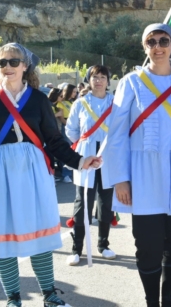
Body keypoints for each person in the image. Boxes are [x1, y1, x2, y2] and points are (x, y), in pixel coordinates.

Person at [0, 43, 101, 307]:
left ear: (25, 65)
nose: (7, 67)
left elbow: (54, 140)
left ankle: (49, 295)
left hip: (33, 172)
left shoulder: (39, 99)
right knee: (0, 235)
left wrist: (80, 161)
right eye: (1, 63)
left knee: (38, 234)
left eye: (13, 62)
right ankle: (13, 298)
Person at [104, 23, 171, 307]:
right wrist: (121, 178)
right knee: (147, 248)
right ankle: (152, 303)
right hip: (143, 177)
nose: (157, 46)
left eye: (163, 40)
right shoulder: (130, 82)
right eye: (151, 41)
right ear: (144, 46)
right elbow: (117, 134)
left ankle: (169, 302)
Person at [65, 65, 116, 266]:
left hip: (108, 156)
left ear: (108, 81)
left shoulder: (116, 103)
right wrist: (84, 147)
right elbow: (71, 131)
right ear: (89, 80)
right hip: (86, 156)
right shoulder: (80, 103)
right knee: (83, 202)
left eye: (103, 77)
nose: (99, 80)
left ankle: (103, 245)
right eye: (95, 77)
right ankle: (76, 248)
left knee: (106, 202)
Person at [57, 84, 78, 183]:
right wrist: (71, 125)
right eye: (73, 91)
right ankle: (66, 174)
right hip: (66, 127)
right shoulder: (61, 103)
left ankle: (74, 172)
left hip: (75, 128)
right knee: (67, 150)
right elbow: (61, 118)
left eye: (75, 91)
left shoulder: (74, 102)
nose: (75, 93)